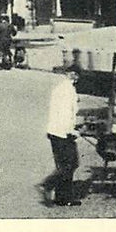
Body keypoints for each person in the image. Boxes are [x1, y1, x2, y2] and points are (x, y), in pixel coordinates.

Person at [41, 64, 82, 206]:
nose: (76, 78)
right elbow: (65, 114)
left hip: (55, 131)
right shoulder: (68, 90)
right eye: (76, 75)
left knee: (65, 164)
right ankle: (49, 184)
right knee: (71, 164)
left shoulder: (61, 88)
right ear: (73, 75)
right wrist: (71, 131)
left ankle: (63, 199)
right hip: (62, 133)